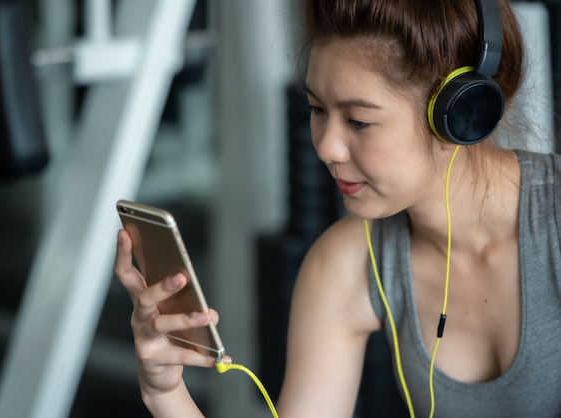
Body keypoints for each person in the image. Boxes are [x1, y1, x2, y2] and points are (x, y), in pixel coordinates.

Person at [113, 0, 561, 416]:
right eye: (316, 108)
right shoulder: (345, 264)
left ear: (464, 114)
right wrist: (165, 391)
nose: (326, 148)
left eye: (359, 121)